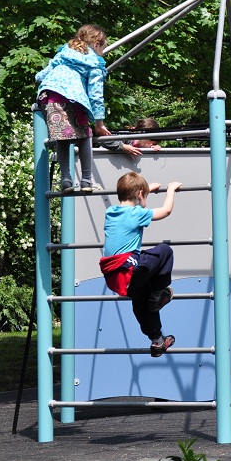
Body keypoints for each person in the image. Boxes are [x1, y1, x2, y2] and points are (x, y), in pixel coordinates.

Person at [99, 172, 182, 357]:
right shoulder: (136, 213)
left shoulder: (111, 212)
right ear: (139, 194)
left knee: (142, 300)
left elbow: (132, 201)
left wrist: (146, 190)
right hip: (129, 269)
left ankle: (157, 340)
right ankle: (158, 294)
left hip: (115, 278)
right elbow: (166, 211)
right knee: (164, 251)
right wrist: (171, 190)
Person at [36, 24, 111, 192]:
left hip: (49, 98)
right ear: (96, 44)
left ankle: (66, 180)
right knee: (85, 136)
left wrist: (39, 77)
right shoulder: (94, 63)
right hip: (73, 98)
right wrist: (99, 123)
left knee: (62, 137)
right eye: (102, 49)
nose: (102, 53)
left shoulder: (65, 53)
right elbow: (96, 95)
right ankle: (86, 181)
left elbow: (42, 75)